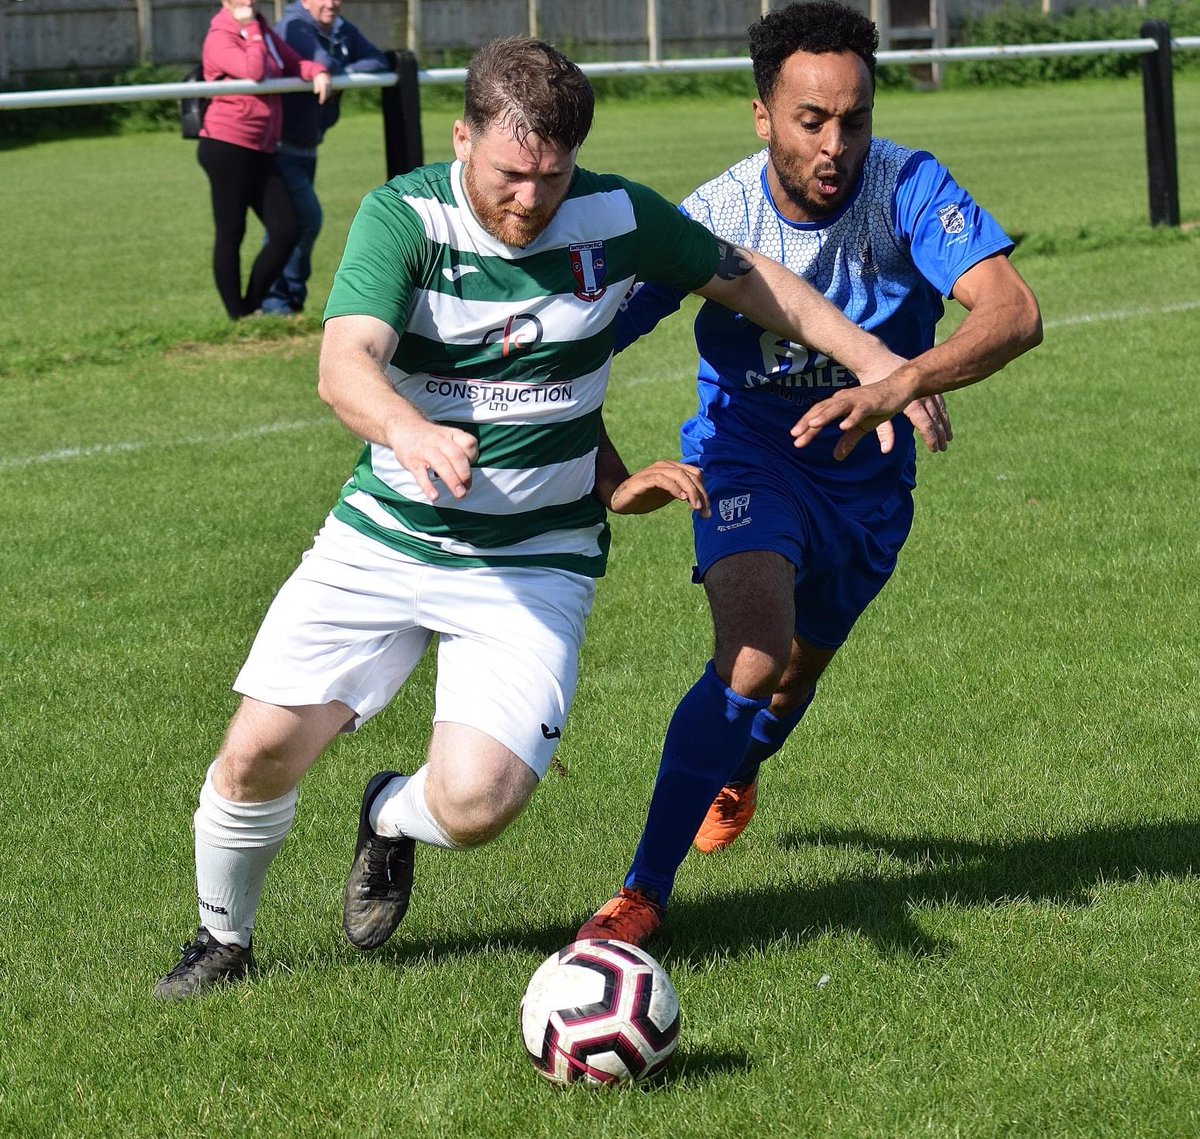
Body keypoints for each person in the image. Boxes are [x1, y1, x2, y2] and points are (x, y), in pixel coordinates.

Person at [153, 34, 911, 1001]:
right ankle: (224, 940)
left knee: (477, 803)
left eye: (551, 179)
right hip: (387, 533)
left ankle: (388, 815)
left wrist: (877, 363)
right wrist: (408, 429)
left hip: (534, 561)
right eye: (511, 175)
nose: (530, 201)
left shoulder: (616, 214)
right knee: (259, 749)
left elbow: (755, 281)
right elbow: (344, 365)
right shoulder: (406, 218)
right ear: (463, 137)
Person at [576, 0, 1043, 947]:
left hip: (867, 472)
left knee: (788, 683)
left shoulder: (909, 186)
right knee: (752, 652)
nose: (837, 144)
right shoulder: (711, 217)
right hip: (747, 447)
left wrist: (901, 377)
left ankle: (739, 766)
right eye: (811, 121)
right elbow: (574, 347)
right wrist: (603, 469)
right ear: (762, 115)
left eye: (855, 119)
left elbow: (1013, 312)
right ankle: (640, 894)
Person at [197, 0, 332, 320]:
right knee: (231, 231)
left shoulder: (263, 30)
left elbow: (292, 63)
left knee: (286, 229)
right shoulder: (221, 35)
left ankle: (251, 307)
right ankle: (237, 315)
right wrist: (252, 29)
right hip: (225, 146)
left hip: (261, 148)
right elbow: (254, 71)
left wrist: (318, 70)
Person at [259, 0, 388, 316]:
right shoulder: (295, 26)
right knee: (304, 220)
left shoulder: (340, 28)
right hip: (280, 145)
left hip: (306, 144)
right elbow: (320, 62)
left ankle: (282, 302)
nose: (331, 3)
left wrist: (343, 71)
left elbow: (378, 60)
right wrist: (335, 69)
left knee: (289, 225)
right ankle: (276, 301)